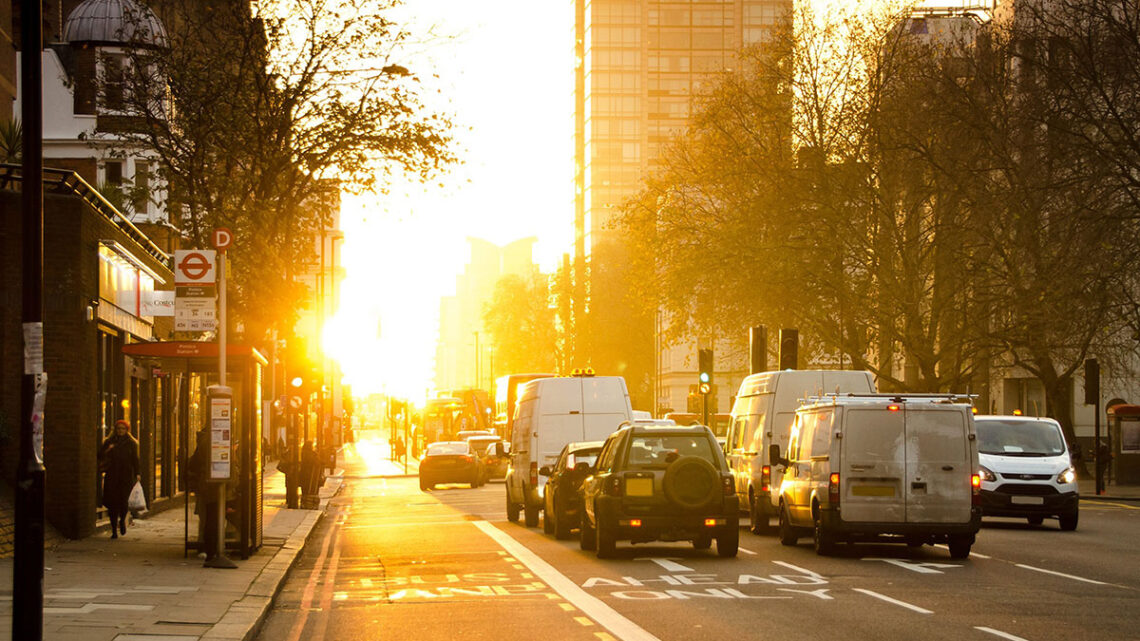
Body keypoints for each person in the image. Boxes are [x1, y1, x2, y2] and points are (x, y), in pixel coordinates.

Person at [99, 419, 140, 539]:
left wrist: (137, 473)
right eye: (118, 429)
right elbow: (100, 455)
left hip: (126, 476)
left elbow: (135, 459)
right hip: (112, 475)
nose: (120, 431)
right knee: (112, 503)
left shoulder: (131, 443)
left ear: (127, 430)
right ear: (115, 430)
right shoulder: (109, 442)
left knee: (123, 502)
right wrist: (108, 449)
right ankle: (113, 530)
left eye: (123, 429)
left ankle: (122, 520)